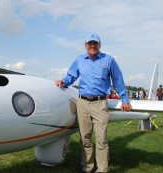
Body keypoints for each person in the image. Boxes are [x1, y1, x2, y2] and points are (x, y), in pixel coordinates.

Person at [55, 33, 132, 173]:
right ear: (85, 46)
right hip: (82, 103)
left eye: (95, 43)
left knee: (101, 139)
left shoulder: (108, 60)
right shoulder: (79, 60)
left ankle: (102, 170)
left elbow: (118, 80)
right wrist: (63, 81)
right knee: (84, 138)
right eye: (89, 44)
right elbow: (71, 76)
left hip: (100, 103)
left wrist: (125, 99)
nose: (92, 46)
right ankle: (87, 167)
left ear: (99, 45)